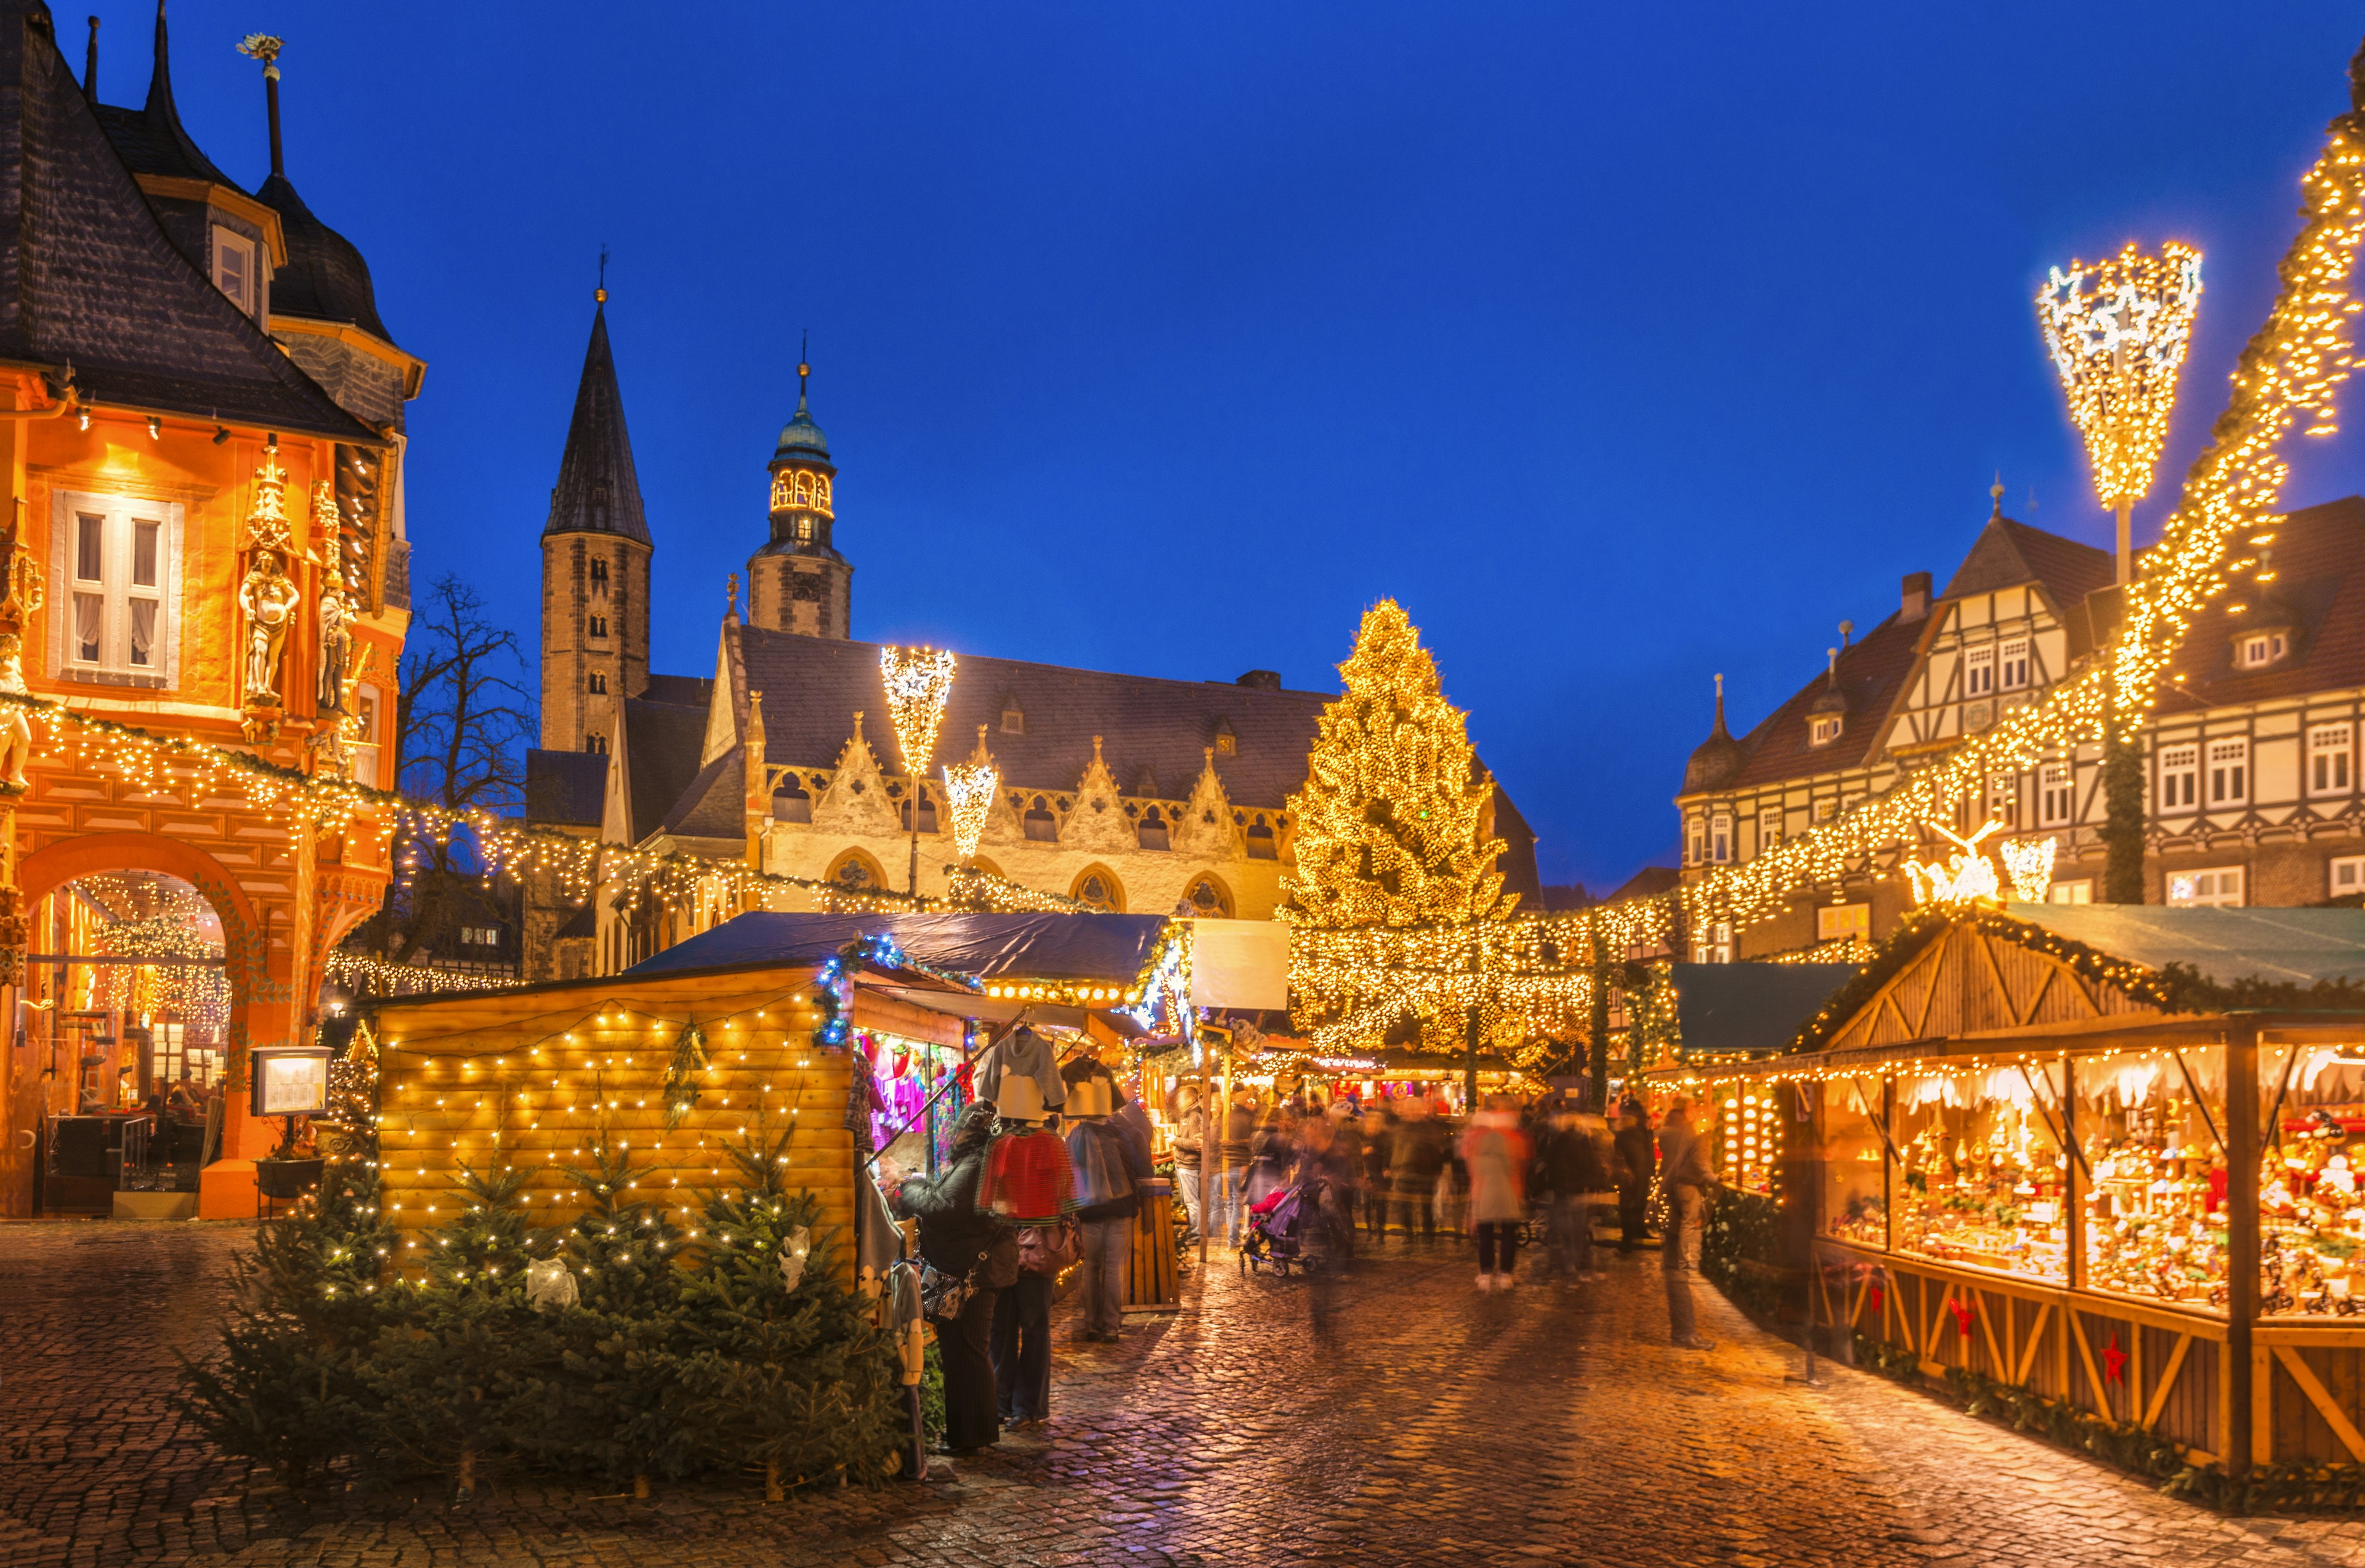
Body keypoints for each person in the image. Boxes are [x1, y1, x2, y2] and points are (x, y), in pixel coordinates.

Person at [895, 1102, 1011, 1455]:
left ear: (967, 1134)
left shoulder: (976, 1163)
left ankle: (971, 1436)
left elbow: (943, 1207)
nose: (954, 1136)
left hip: (969, 1274)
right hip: (965, 1270)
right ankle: (968, 1433)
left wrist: (908, 1186)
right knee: (962, 1350)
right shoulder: (979, 1162)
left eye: (958, 1130)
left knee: (968, 1351)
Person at [979, 1077, 1070, 1425]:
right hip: (1029, 1246)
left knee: (1009, 1326)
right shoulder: (1023, 1145)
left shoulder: (1010, 1145)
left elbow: (992, 1199)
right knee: (1027, 1326)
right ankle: (1023, 1406)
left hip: (1019, 1245)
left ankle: (1013, 1405)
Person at [1065, 1078, 1151, 1343]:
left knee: (1090, 1268)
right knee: (1114, 1269)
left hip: (1089, 1212)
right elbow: (1140, 1169)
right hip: (1120, 1210)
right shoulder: (1122, 1134)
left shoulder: (1076, 1135)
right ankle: (1111, 1327)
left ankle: (1091, 1324)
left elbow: (1069, 1174)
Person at [1658, 1096, 1717, 1349]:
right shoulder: (1694, 1137)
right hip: (1678, 1203)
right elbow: (1701, 1166)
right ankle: (1684, 1333)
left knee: (1675, 1271)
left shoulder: (1680, 1134)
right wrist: (1716, 1181)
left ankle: (1682, 1332)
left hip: (1671, 1202)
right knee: (1679, 1272)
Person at [1461, 1094, 1532, 1290]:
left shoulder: (1475, 1143)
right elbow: (1520, 1169)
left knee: (1485, 1235)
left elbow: (1473, 1173)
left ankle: (1485, 1274)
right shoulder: (1515, 1142)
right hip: (1510, 1192)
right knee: (1509, 1234)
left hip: (1483, 1194)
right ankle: (1506, 1275)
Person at [1534, 1107, 1609, 1282]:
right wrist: (1595, 1187)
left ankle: (1567, 1267)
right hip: (1582, 1192)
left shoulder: (1557, 1143)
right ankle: (1576, 1266)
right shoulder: (1586, 1143)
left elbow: (1550, 1167)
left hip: (1564, 1193)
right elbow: (1594, 1168)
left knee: (1564, 1232)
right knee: (1578, 1232)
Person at [1388, 1099, 1447, 1239]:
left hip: (1424, 1171)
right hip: (1406, 1171)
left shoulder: (1428, 1128)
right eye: (1410, 1110)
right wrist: (1394, 1166)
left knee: (1425, 1205)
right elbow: (1395, 1149)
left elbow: (1435, 1151)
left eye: (1415, 1110)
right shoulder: (1401, 1128)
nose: (1412, 1113)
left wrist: (1437, 1169)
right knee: (1405, 1206)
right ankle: (1410, 1232)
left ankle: (1427, 1232)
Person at [1614, 1105, 1656, 1253]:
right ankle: (1638, 1232)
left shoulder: (1622, 1137)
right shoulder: (1642, 1136)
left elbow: (1620, 1158)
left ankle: (1627, 1243)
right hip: (1642, 1177)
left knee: (1626, 1210)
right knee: (1638, 1206)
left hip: (1629, 1179)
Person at [1219, 1088, 1259, 1245]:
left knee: (1231, 1201)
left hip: (1227, 1162)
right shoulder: (1250, 1118)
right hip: (1242, 1163)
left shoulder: (1227, 1118)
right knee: (1237, 1201)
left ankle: (1231, 1237)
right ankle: (1232, 1238)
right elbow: (1252, 1142)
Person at [1169, 1083, 1207, 1243]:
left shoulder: (1194, 1116)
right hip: (1185, 1164)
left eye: (1181, 1098)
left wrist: (1175, 1140)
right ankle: (1195, 1231)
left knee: (1192, 1202)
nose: (1178, 1101)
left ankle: (1196, 1234)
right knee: (1191, 1201)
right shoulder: (1187, 1115)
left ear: (1190, 1098)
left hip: (1189, 1165)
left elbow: (1196, 1143)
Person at [1361, 1102, 1395, 1231]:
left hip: (1380, 1174)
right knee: (1367, 1203)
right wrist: (1364, 1152)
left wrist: (1386, 1168)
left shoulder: (1384, 1138)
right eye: (1370, 1123)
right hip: (1367, 1173)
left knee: (1381, 1203)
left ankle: (1380, 1228)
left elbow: (1388, 1154)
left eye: (1374, 1123)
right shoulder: (1364, 1137)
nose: (1372, 1126)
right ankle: (1369, 1227)